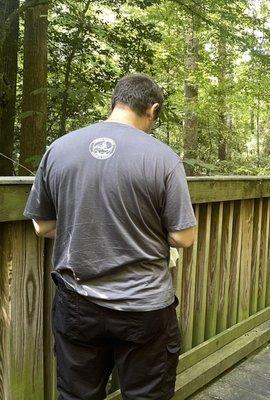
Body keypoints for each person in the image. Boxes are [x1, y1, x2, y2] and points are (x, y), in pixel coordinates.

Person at [23, 73, 197, 400]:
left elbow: (42, 226)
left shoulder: (59, 149)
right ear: (152, 109)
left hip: (78, 304)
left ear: (115, 102)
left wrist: (87, 223)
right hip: (143, 309)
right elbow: (184, 237)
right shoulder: (163, 159)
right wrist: (141, 229)